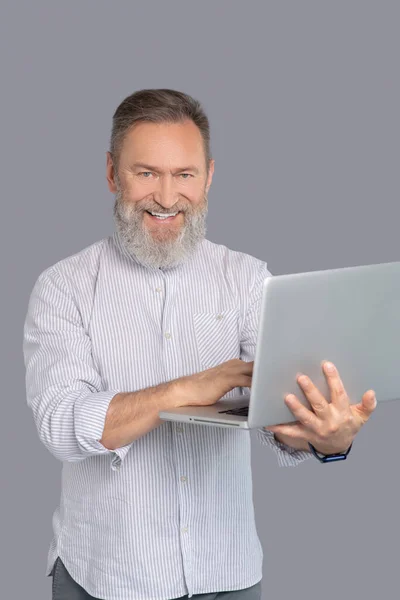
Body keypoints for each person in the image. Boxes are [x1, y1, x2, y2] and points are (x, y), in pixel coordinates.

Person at [23, 89, 376, 600]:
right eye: (146, 173)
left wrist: (328, 438)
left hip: (226, 573)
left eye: (183, 175)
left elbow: (278, 419)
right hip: (108, 575)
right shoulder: (64, 287)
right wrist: (192, 386)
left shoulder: (249, 280)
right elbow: (61, 427)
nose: (167, 197)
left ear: (208, 177)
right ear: (111, 173)